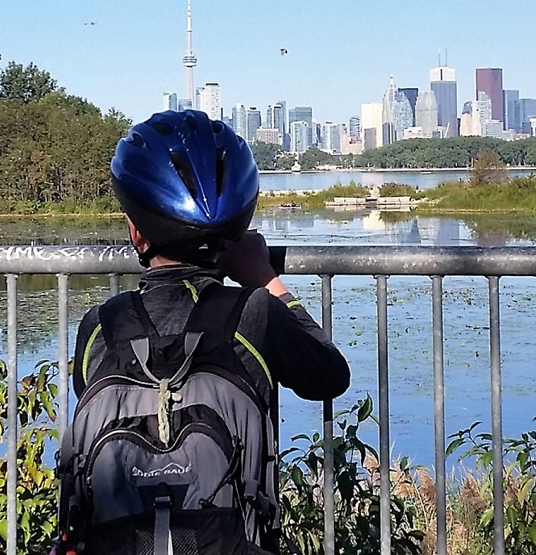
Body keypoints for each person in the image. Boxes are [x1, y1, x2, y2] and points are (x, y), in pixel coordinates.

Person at [58, 110, 350, 554]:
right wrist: (265, 279)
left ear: (136, 233)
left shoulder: (101, 324)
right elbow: (329, 375)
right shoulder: (254, 314)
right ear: (235, 232)